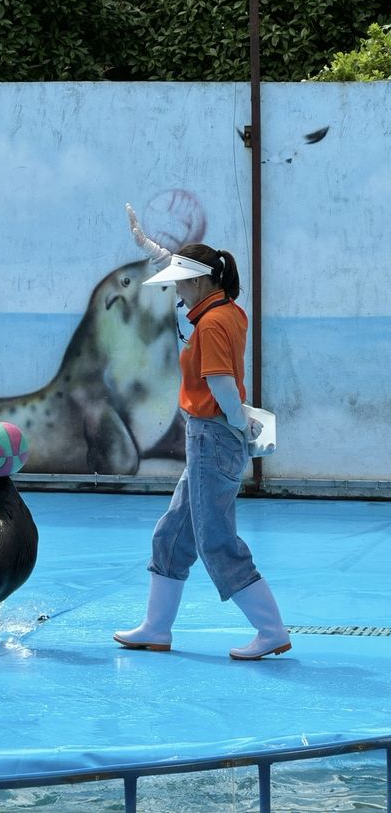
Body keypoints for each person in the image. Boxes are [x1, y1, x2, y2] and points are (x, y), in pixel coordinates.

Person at [113, 206, 291, 660]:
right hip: (210, 435)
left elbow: (221, 385)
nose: (176, 289)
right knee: (172, 533)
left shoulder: (209, 324)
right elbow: (184, 265)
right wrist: (149, 246)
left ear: (198, 282)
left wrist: (237, 424)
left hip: (213, 434)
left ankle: (271, 631)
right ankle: (156, 628)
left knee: (216, 539)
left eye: (180, 282)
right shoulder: (226, 311)